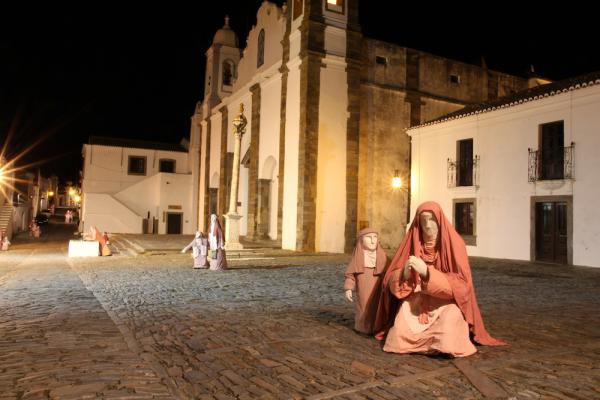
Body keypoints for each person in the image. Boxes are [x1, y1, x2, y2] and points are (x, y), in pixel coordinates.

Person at [374, 201, 505, 358]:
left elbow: (462, 286)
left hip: (446, 302)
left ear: (440, 221)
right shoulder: (410, 244)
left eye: (432, 220)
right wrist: (404, 274)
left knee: (448, 332)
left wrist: (428, 274)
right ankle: (427, 344)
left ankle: (438, 344)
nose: (427, 225)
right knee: (399, 334)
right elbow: (390, 278)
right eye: (423, 221)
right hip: (416, 301)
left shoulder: (455, 244)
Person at [344, 228, 387, 334]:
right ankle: (362, 327)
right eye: (369, 237)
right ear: (361, 240)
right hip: (363, 286)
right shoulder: (358, 257)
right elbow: (350, 274)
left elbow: (389, 270)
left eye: (375, 237)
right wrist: (348, 288)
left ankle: (376, 327)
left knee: (377, 306)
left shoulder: (382, 256)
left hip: (378, 286)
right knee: (363, 305)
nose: (373, 241)